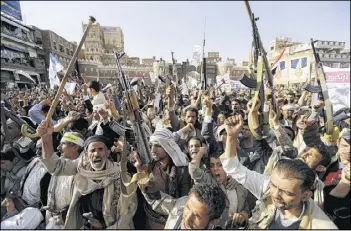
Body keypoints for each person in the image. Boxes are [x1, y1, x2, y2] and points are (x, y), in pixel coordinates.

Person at [220, 115, 338, 229]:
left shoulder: (319, 221)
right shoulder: (268, 188)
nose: (275, 194)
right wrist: (231, 136)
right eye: (274, 185)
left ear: (306, 196)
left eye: (287, 192)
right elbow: (233, 167)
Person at [36, 121, 137, 229]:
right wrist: (46, 138)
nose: (96, 154)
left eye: (100, 149)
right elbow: (55, 166)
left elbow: (127, 214)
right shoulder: (80, 168)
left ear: (107, 153)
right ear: (86, 155)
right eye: (92, 150)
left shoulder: (122, 176)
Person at [132, 152, 226, 230]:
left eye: (197, 216)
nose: (187, 218)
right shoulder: (182, 204)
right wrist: (142, 174)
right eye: (188, 207)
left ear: (214, 221)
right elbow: (158, 201)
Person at [44, 132, 85, 229]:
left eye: (63, 144)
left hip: (71, 222)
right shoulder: (60, 165)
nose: (58, 147)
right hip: (53, 219)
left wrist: (64, 215)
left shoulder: (83, 168)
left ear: (75, 147)